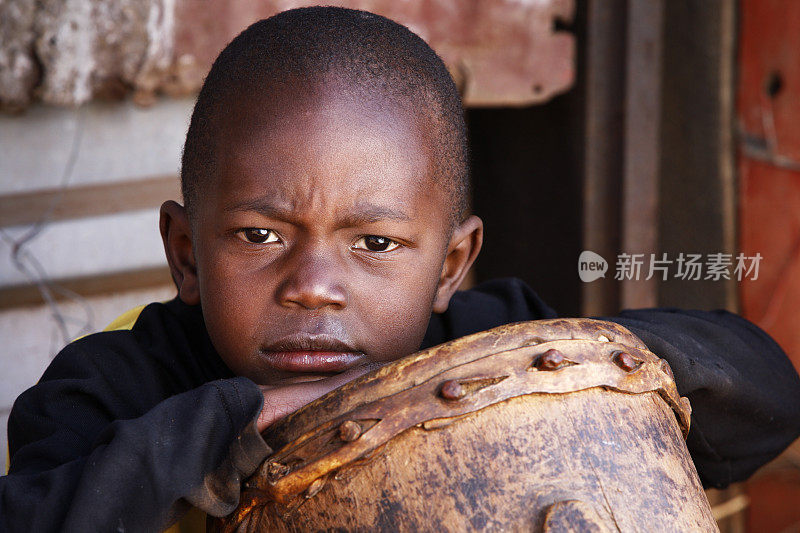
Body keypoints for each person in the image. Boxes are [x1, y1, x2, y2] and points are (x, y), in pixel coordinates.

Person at [3, 6, 800, 532]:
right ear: (186, 253)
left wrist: (580, 368)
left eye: (375, 244)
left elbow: (766, 390)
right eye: (259, 235)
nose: (313, 283)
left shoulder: (483, 343)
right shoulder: (111, 387)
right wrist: (244, 423)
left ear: (452, 262)